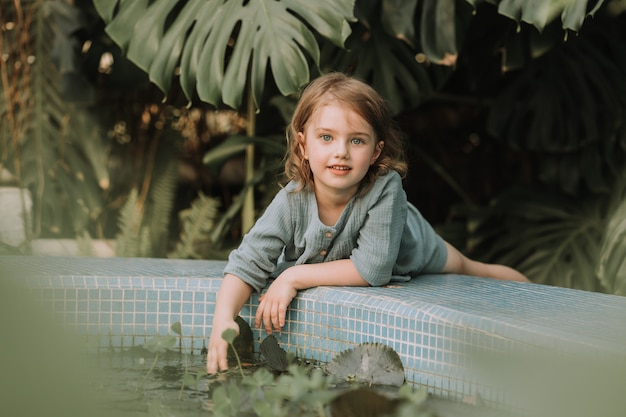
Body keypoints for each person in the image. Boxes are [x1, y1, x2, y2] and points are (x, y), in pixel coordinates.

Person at [206, 72, 529, 374]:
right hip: (353, 255)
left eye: (357, 141)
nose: (341, 152)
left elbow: (373, 270)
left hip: (415, 246)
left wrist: (292, 276)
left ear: (376, 151)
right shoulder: (292, 200)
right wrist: (224, 317)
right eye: (327, 137)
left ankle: (538, 300)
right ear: (303, 146)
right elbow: (247, 262)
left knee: (473, 269)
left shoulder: (386, 188)